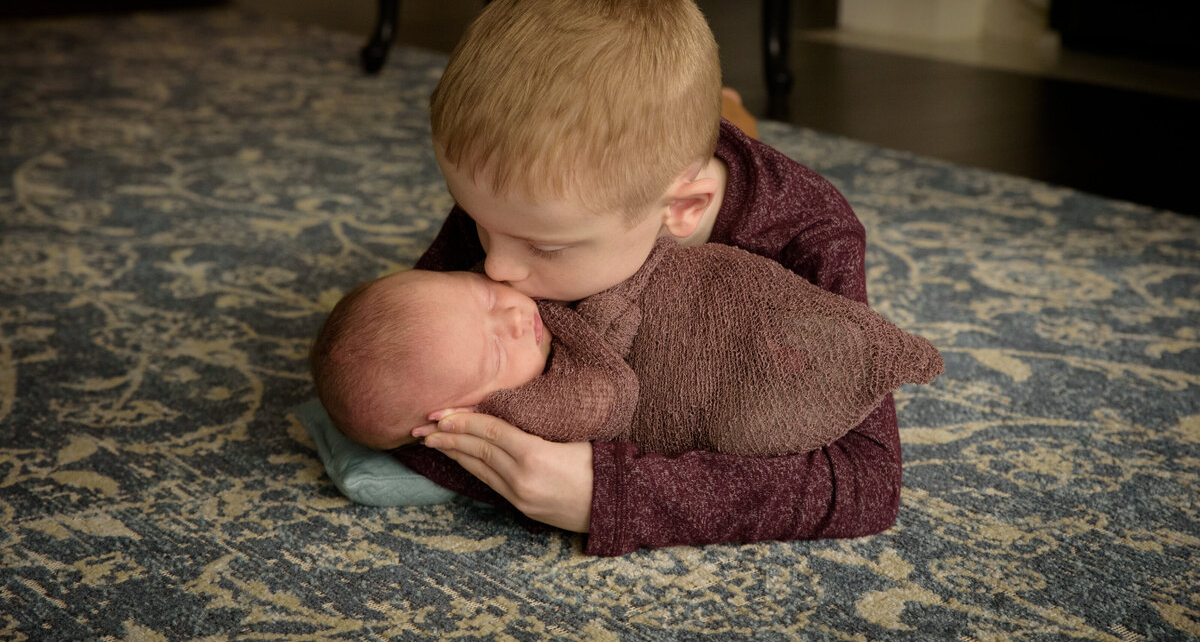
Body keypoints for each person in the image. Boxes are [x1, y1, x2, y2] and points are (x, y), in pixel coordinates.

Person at [394, 0, 902, 556]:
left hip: (713, 180)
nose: (497, 268)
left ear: (683, 210)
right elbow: (395, 397)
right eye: (476, 221)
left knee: (728, 122)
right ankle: (718, 112)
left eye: (544, 245)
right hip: (663, 170)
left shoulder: (811, 233)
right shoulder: (515, 193)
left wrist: (607, 492)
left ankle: (729, 111)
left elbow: (866, 483)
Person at [310, 239, 942, 463]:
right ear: (457, 417)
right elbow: (607, 398)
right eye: (496, 355)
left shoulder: (505, 261)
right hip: (711, 383)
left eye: (477, 295)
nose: (511, 312)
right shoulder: (525, 410)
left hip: (699, 288)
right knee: (780, 376)